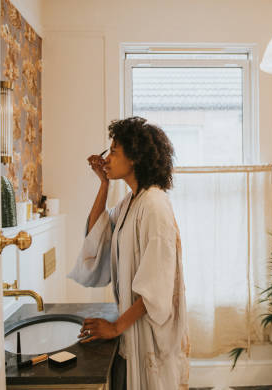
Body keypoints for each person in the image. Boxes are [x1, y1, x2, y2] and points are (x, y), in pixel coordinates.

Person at [67, 116, 190, 390]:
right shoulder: (131, 201)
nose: (107, 158)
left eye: (114, 151)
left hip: (150, 332)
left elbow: (158, 283)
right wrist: (103, 184)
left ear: (134, 158)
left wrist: (115, 327)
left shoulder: (154, 206)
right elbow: (97, 233)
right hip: (132, 324)